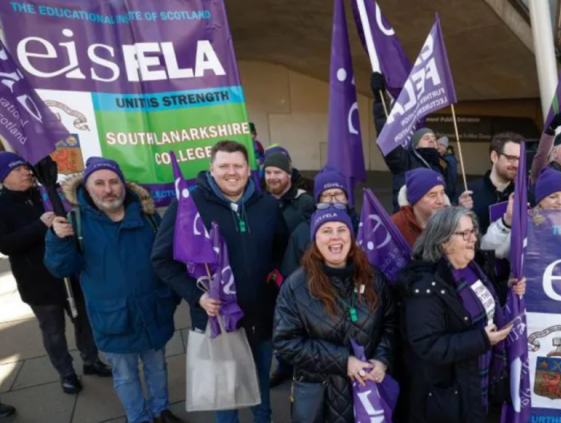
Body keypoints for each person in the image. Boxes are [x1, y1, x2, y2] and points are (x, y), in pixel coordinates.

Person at [151, 141, 286, 423]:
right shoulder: (189, 206)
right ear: (211, 169)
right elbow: (162, 259)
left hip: (260, 319)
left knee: (261, 393)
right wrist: (196, 296)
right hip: (218, 322)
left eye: (238, 165)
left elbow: (279, 253)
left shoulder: (268, 206)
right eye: (224, 165)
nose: (231, 172)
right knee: (225, 399)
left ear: (249, 170)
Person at [45, 158, 181, 423]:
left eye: (113, 182)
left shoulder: (148, 216)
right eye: (100, 183)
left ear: (123, 184)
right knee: (126, 375)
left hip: (153, 310)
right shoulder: (76, 222)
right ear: (88, 187)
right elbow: (61, 269)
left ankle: (161, 410)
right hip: (113, 318)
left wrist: (171, 297)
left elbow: (167, 258)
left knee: (157, 367)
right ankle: (139, 417)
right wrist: (57, 240)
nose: (108, 189)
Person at [394, 207, 525, 423]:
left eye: (473, 231)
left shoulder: (473, 267)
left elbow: (481, 305)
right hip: (449, 396)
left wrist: (506, 289)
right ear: (443, 242)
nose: (473, 238)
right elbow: (427, 344)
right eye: (465, 234)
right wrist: (482, 340)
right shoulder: (425, 285)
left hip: (478, 380)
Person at [0, 152, 111, 395]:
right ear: (4, 177)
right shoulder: (2, 204)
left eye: (25, 168)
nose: (26, 172)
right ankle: (66, 373)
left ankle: (91, 360)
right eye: (17, 170)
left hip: (70, 272)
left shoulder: (47, 193)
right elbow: (5, 245)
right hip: (37, 281)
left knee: (84, 321)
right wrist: (40, 225)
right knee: (53, 331)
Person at [273, 208, 396, 423]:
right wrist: (343, 361)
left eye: (342, 230)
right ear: (315, 239)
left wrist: (381, 359)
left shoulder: (374, 278)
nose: (335, 237)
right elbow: (286, 342)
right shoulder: (295, 286)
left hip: (369, 395)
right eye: (326, 231)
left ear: (351, 236)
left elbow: (390, 323)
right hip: (320, 399)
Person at [272, 170, 361, 388]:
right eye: (326, 195)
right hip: (317, 319)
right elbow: (290, 278)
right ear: (318, 199)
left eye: (338, 194)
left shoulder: (363, 226)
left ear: (347, 198)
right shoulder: (302, 232)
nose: (333, 200)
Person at [371, 73, 456, 211]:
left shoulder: (441, 165)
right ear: (415, 144)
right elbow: (386, 137)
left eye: (434, 139)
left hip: (437, 225)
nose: (432, 141)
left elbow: (449, 196)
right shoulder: (404, 160)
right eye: (426, 138)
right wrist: (380, 100)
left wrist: (460, 204)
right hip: (410, 225)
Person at [482, 167, 561, 259]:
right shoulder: (527, 222)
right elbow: (492, 250)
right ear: (540, 200)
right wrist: (507, 222)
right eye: (553, 197)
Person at [461, 132, 523, 234]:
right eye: (511, 158)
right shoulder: (468, 193)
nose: (517, 164)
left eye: (520, 159)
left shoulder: (523, 195)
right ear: (494, 157)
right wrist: (459, 212)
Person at [391, 168, 449, 247]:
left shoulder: (453, 223)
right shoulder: (394, 225)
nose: (441, 201)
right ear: (415, 198)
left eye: (442, 193)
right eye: (432, 195)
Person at [262, 151, 315, 233]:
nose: (272, 177)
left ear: (289, 175)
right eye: (268, 172)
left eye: (277, 172)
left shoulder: (306, 202)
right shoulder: (259, 202)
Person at [437, 136, 459, 203]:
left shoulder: (448, 159)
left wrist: (447, 191)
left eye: (441, 145)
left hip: (448, 189)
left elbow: (451, 177)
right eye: (437, 144)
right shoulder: (443, 157)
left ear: (445, 147)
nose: (438, 146)